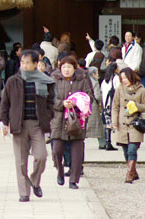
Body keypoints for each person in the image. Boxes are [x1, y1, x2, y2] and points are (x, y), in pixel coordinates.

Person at [0, 50, 55, 202]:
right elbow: (5, 103)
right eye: (22, 62)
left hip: (38, 124)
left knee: (41, 156)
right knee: (21, 161)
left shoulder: (45, 80)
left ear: (36, 64)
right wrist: (4, 122)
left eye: (27, 62)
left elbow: (51, 102)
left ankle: (34, 181)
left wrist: (48, 115)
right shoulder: (13, 81)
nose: (24, 65)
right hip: (19, 124)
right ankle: (24, 193)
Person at [50, 56, 95, 189]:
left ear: (74, 68)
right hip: (59, 119)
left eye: (69, 67)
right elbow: (49, 98)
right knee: (57, 150)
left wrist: (77, 103)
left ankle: (74, 180)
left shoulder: (83, 79)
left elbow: (89, 97)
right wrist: (62, 104)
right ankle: (59, 171)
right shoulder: (54, 79)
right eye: (64, 67)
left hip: (77, 119)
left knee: (77, 152)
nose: (66, 70)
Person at [112, 68, 145, 183]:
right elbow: (115, 106)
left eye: (126, 78)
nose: (124, 80)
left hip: (135, 124)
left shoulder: (141, 89)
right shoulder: (119, 89)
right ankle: (133, 171)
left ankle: (129, 174)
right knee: (125, 151)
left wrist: (135, 106)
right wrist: (114, 122)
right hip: (122, 124)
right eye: (122, 78)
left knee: (132, 150)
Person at [100, 62, 120, 151]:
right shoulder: (116, 78)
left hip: (105, 104)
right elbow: (119, 90)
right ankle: (111, 142)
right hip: (113, 104)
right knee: (113, 122)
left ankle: (107, 142)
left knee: (108, 123)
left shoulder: (104, 80)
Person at [86, 67, 106, 149]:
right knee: (98, 126)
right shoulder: (94, 82)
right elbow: (97, 95)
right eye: (97, 73)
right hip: (93, 105)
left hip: (85, 104)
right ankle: (102, 143)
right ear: (93, 74)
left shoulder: (85, 81)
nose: (98, 75)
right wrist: (100, 103)